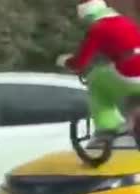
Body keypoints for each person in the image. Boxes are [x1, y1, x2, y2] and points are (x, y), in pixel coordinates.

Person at [57, 0, 140, 139]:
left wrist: (65, 61)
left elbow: (80, 63)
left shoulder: (99, 28)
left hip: (129, 72)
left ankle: (108, 125)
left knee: (96, 79)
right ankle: (134, 115)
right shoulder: (125, 21)